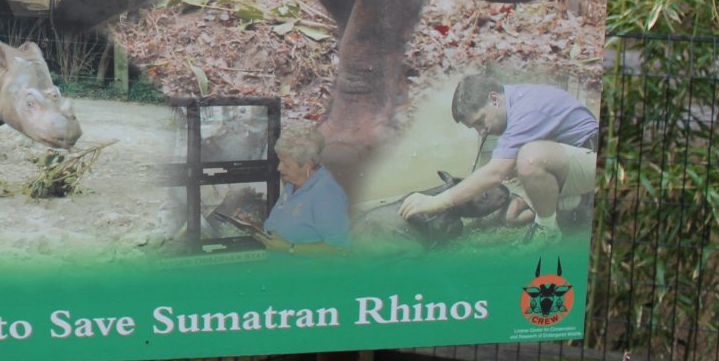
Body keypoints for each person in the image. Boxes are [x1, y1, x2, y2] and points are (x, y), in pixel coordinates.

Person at [399, 75, 598, 243]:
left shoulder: (527, 108)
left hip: (593, 157)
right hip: (567, 163)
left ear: (494, 99)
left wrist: (437, 202)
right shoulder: (515, 104)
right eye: (474, 127)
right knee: (511, 215)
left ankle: (548, 230)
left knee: (530, 158)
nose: (481, 130)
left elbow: (496, 172)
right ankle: (572, 203)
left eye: (480, 121)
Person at [253, 128, 350, 254]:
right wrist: (252, 225)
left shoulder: (327, 194)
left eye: (286, 164)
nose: (279, 168)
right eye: (280, 161)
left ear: (308, 165)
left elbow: (340, 249)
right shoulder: (294, 183)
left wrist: (289, 248)